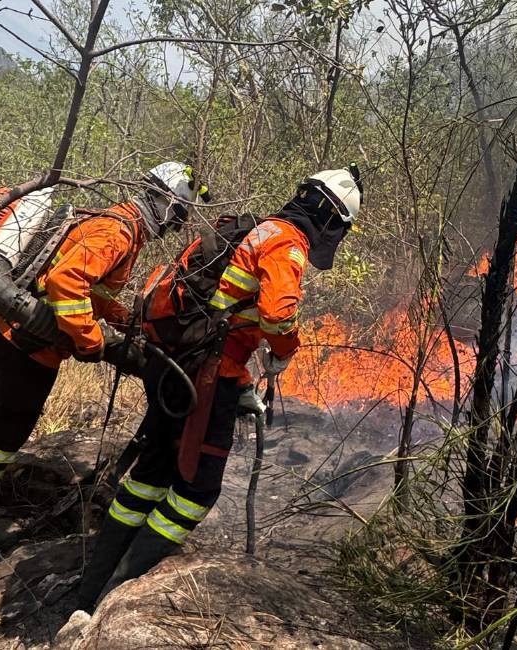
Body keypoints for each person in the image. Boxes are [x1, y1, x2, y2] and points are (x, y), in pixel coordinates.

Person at [76, 166, 363, 612]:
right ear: (330, 219)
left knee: (151, 476)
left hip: (172, 364)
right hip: (205, 376)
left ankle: (89, 591)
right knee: (198, 489)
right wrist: (284, 351)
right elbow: (277, 315)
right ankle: (119, 596)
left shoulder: (249, 229)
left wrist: (245, 380)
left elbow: (217, 315)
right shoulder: (286, 243)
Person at [0, 162, 211, 558]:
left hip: (14, 337)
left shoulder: (123, 226)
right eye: (177, 215)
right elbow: (65, 283)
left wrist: (124, 319)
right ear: (164, 201)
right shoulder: (116, 230)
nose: (174, 225)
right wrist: (90, 340)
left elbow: (90, 290)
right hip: (31, 347)